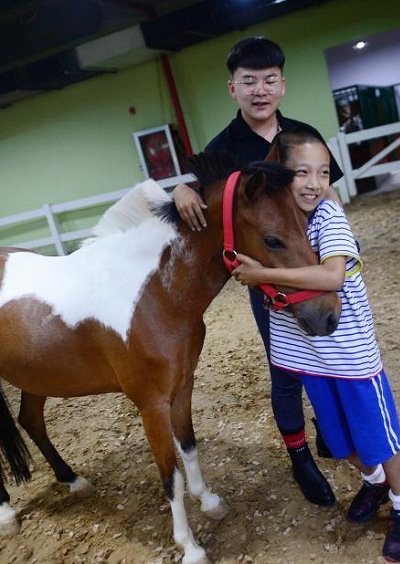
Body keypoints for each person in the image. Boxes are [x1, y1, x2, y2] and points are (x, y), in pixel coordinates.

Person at [230, 129, 400, 562]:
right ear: (279, 177)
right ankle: (373, 482)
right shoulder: (278, 218)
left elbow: (333, 277)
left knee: (380, 439)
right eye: (302, 172)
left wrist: (261, 275)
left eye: (323, 172)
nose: (314, 182)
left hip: (351, 358)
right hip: (310, 358)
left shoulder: (328, 217)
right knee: (341, 442)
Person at [172, 37, 344, 506]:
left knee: (329, 353)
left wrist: (339, 252)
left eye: (269, 79)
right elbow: (200, 188)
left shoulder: (304, 138)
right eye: (249, 81)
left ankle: (330, 432)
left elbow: (329, 195)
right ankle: (300, 459)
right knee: (285, 369)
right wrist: (180, 188)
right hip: (268, 277)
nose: (260, 89)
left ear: (282, 85)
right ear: (233, 88)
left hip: (311, 265)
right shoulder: (224, 147)